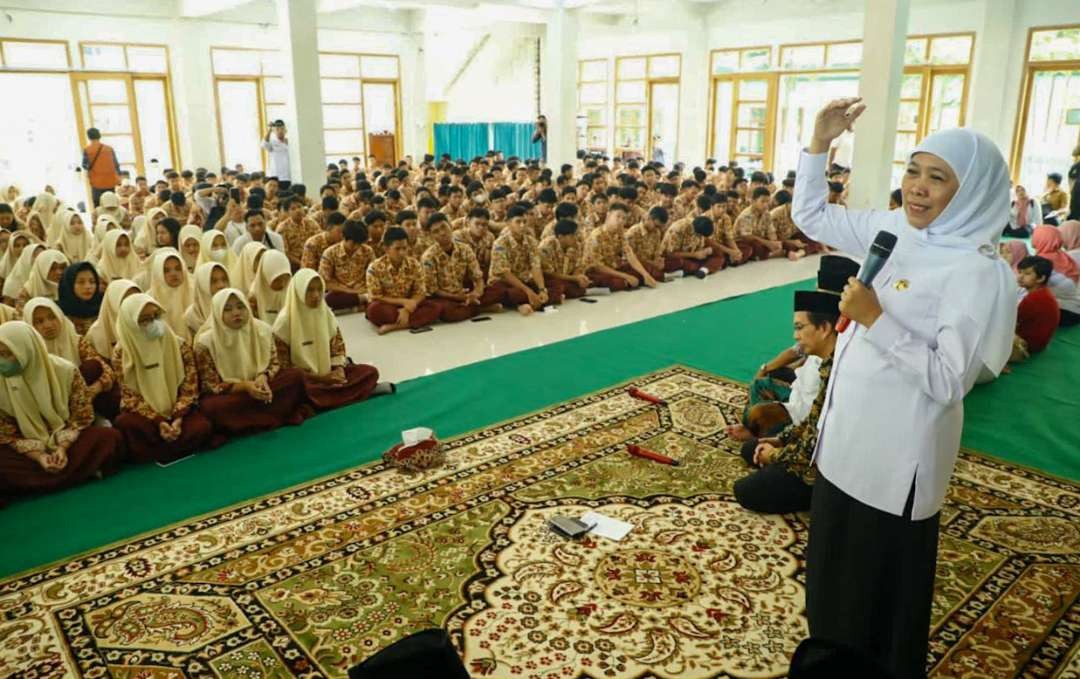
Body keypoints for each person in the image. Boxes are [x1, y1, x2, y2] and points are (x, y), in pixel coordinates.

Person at [791, 97, 1017, 679]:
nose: (918, 188)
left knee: (876, 593)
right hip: (846, 439)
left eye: (937, 177)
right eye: (913, 171)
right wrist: (818, 144)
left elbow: (949, 379)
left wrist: (875, 319)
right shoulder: (893, 229)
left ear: (971, 191)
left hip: (897, 462)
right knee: (833, 574)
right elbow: (813, 217)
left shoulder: (976, 270)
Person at [733, 270, 844, 515]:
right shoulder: (828, 358)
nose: (795, 335)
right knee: (751, 449)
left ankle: (822, 499)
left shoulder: (841, 372)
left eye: (799, 328)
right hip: (808, 436)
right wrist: (781, 440)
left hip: (829, 469)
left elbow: (813, 444)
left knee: (746, 491)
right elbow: (813, 419)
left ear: (825, 328)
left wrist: (776, 455)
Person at [0, 322, 125, 505]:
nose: (2, 361)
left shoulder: (64, 370)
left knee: (109, 437)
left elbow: (81, 415)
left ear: (27, 349)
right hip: (29, 450)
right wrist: (40, 455)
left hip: (68, 441)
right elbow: (6, 431)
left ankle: (35, 484)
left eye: (7, 354)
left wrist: (61, 448)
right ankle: (79, 473)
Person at [112, 293, 217, 464]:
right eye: (144, 320)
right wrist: (159, 421)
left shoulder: (178, 344)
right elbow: (130, 396)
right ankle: (175, 444)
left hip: (179, 411)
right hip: (146, 417)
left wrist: (177, 417)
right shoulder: (122, 354)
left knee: (202, 426)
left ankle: (159, 449)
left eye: (155, 317)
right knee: (125, 424)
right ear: (130, 323)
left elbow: (189, 386)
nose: (153, 323)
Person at [194, 288, 308, 435]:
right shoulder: (205, 343)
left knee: (296, 376)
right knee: (210, 407)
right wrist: (246, 386)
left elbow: (274, 363)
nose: (236, 313)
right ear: (217, 313)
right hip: (234, 395)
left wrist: (263, 377)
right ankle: (269, 416)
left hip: (263, 386)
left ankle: (248, 421)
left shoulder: (263, 330)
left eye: (241, 307)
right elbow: (211, 386)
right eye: (227, 309)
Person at [272, 270, 390, 410]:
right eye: (309, 290)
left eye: (319, 290)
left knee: (370, 372)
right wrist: (322, 379)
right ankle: (351, 394)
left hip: (329, 376)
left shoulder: (326, 313)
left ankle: (327, 399)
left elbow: (337, 346)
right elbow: (284, 368)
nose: (316, 295)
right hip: (306, 382)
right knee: (291, 389)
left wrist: (338, 369)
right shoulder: (283, 323)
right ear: (298, 291)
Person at [421, 213, 500, 322]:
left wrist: (476, 293)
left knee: (496, 290)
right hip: (444, 297)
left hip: (465, 291)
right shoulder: (428, 256)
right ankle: (480, 308)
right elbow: (434, 290)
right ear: (431, 236)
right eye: (436, 231)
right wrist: (460, 297)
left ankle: (472, 304)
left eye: (444, 227)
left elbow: (477, 277)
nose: (442, 233)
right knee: (446, 311)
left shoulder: (465, 248)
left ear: (450, 225)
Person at [365, 227, 440, 333]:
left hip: (410, 304)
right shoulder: (374, 267)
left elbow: (421, 292)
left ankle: (395, 326)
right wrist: (403, 302)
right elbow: (376, 296)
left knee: (436, 307)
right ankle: (409, 322)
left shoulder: (414, 264)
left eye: (405, 248)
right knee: (373, 310)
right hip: (387, 305)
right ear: (386, 249)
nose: (402, 252)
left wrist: (407, 309)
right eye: (397, 249)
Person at [489, 204, 549, 315]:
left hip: (524, 280)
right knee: (507, 292)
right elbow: (505, 274)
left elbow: (535, 266)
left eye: (524, 222)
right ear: (508, 223)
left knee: (552, 287)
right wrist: (528, 291)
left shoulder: (531, 241)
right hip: (505, 282)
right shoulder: (500, 243)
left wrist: (542, 289)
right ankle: (520, 304)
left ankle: (530, 300)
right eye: (518, 222)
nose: (522, 225)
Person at [584, 203, 658, 291]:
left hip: (615, 268)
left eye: (624, 218)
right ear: (608, 215)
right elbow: (598, 267)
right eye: (618, 216)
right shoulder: (596, 236)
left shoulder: (620, 233)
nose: (621, 221)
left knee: (645, 270)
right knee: (615, 281)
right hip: (597, 271)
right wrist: (626, 276)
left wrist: (646, 275)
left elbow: (630, 256)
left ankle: (630, 281)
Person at [1010, 255, 1060, 362]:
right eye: (1020, 272)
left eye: (1027, 273)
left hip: (1027, 346)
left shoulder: (1033, 299)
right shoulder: (1042, 293)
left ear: (1041, 278)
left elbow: (1010, 323)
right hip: (1039, 344)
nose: (1020, 277)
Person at [320, 219, 375, 312]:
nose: (356, 247)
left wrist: (365, 288)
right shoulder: (330, 252)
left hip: (363, 290)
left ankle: (353, 307)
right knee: (328, 299)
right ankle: (360, 304)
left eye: (359, 244)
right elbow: (325, 282)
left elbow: (374, 275)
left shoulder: (368, 251)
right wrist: (351, 291)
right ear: (343, 236)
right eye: (353, 243)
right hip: (341, 292)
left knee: (377, 299)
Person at [86, 279, 141, 361]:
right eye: (125, 300)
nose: (131, 304)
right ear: (112, 302)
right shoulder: (95, 334)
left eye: (135, 299)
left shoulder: (145, 324)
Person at [147, 251, 194, 341]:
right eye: (166, 271)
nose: (173, 273)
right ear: (158, 273)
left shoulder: (194, 293)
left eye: (178, 268)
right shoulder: (149, 299)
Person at [539, 219, 589, 303]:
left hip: (566, 278)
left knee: (579, 286)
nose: (575, 238)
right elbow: (549, 273)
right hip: (550, 278)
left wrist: (579, 277)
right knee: (558, 286)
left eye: (576, 235)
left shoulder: (576, 245)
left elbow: (578, 266)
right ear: (560, 237)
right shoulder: (547, 246)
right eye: (572, 236)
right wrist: (574, 278)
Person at [57, 262, 104, 335]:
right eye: (81, 282)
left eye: (92, 282)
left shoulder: (102, 308)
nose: (88, 286)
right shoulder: (59, 313)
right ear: (70, 284)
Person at [185, 262, 230, 337]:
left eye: (224, 279)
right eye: (213, 281)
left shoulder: (236, 308)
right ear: (202, 285)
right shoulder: (192, 315)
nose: (221, 285)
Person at [248, 250, 291, 325]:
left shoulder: (291, 291)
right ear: (266, 276)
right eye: (277, 280)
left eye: (286, 279)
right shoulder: (254, 296)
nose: (283, 284)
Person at [276, 196, 321, 270]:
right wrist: (302, 264)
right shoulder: (282, 228)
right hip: (293, 266)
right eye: (293, 209)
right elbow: (285, 253)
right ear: (288, 212)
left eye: (299, 207)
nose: (298, 210)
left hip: (312, 262)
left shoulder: (311, 223)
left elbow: (320, 242)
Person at [82, 127, 121, 207]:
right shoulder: (109, 149)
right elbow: (116, 164)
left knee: (99, 206)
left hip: (96, 183)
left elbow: (85, 165)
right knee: (111, 204)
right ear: (99, 136)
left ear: (89, 137)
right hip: (110, 181)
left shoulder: (87, 150)